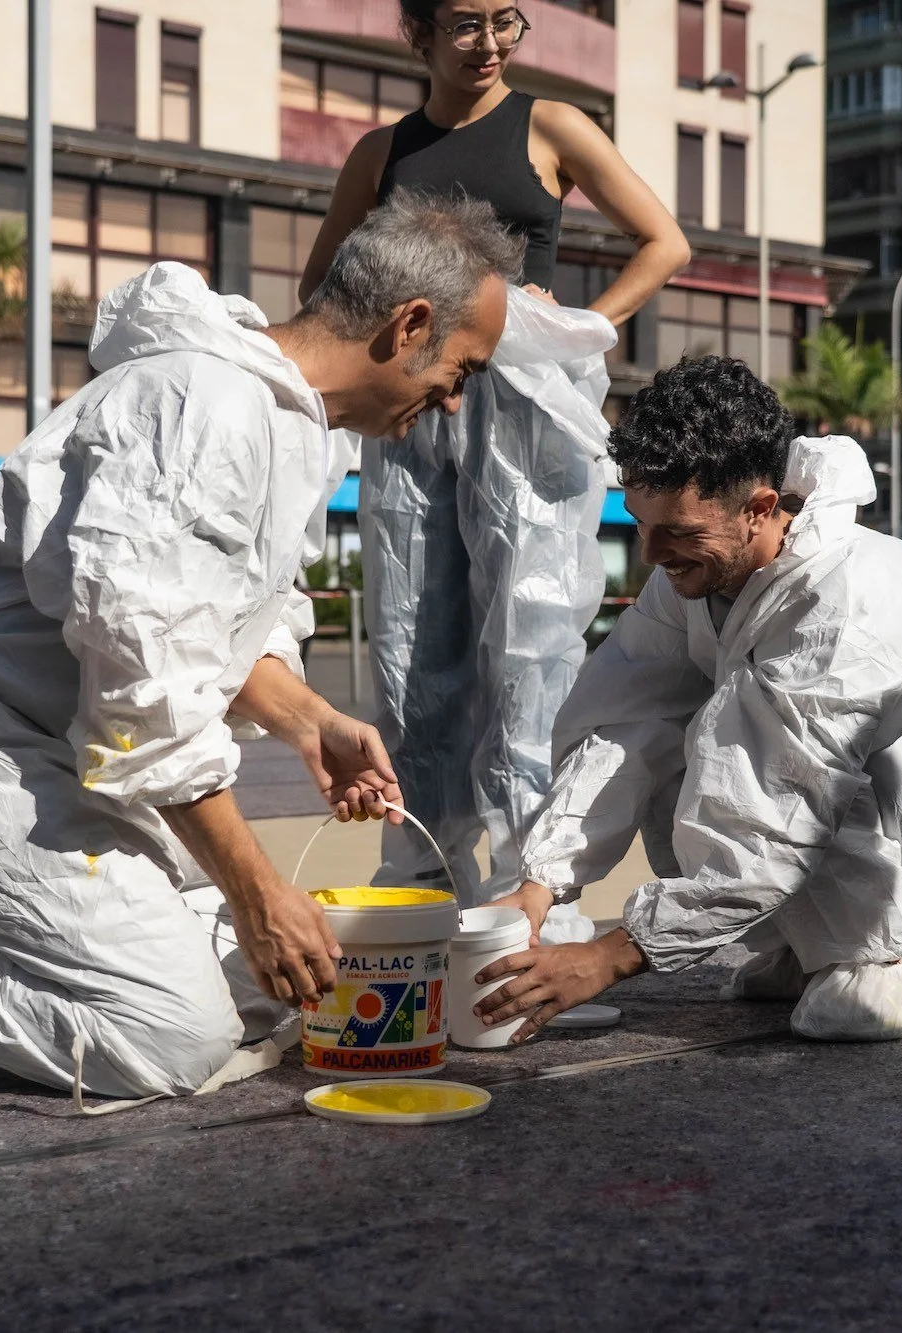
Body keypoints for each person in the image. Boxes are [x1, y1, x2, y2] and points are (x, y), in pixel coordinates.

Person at [0, 195, 520, 1102]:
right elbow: (141, 676)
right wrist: (255, 888)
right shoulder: (204, 409)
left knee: (272, 987)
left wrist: (308, 719)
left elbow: (210, 633)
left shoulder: (287, 424)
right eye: (462, 370)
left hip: (65, 743)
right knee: (173, 1035)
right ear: (409, 324)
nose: (453, 400)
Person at [470, 358, 902, 1043]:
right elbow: (624, 723)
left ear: (759, 509)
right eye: (640, 524)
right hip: (875, 790)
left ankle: (893, 957)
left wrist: (609, 956)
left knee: (759, 743)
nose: (652, 553)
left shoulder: (844, 601)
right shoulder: (693, 574)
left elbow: (779, 808)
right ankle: (811, 945)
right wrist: (541, 882)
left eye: (679, 533)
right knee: (683, 733)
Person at [299, 0, 690, 906]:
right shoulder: (381, 153)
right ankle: (423, 878)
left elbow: (663, 242)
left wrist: (579, 323)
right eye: (465, 24)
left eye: (505, 20)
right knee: (411, 649)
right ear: (419, 32)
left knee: (530, 649)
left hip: (524, 406)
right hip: (413, 402)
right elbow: (324, 282)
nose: (489, 44)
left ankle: (532, 897)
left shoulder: (549, 124)